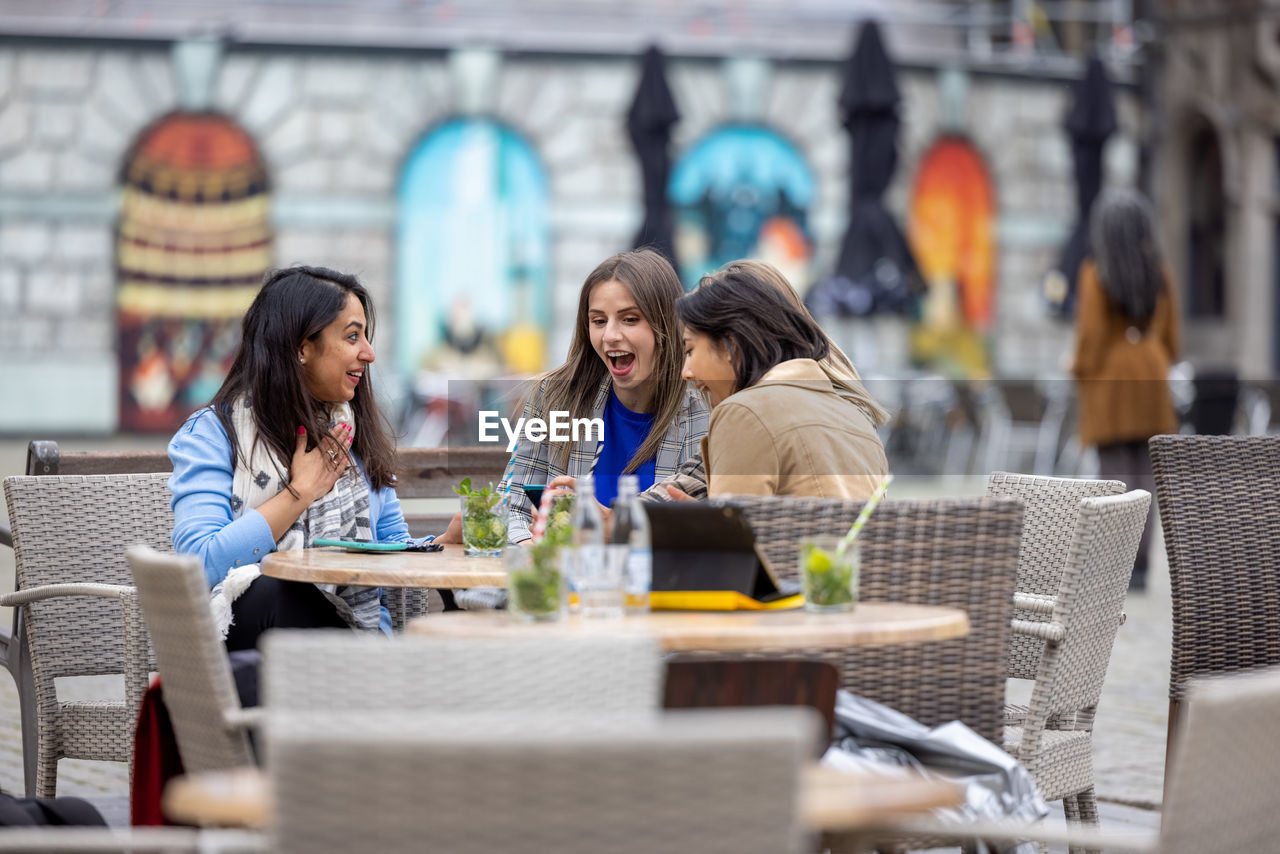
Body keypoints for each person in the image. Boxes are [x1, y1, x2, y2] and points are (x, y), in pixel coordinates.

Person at [169, 265, 421, 650]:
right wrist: (299, 493)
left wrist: (443, 543)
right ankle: (370, 678)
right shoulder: (213, 434)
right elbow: (198, 566)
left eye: (366, 337)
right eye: (353, 336)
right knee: (276, 591)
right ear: (302, 348)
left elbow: (394, 549)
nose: (368, 354)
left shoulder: (349, 435)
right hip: (249, 647)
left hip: (357, 634)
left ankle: (370, 675)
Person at [633, 259, 890, 502]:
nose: (685, 372)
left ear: (730, 346)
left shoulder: (746, 412)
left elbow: (734, 542)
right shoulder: (854, 417)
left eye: (689, 350)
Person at [501, 248, 708, 543]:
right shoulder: (554, 396)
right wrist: (531, 549)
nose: (610, 335)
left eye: (630, 319)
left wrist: (612, 526)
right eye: (598, 321)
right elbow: (511, 507)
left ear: (665, 324)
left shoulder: (706, 409)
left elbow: (703, 527)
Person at [1071, 189, 1180, 591]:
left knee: (1115, 474)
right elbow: (1172, 338)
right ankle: (1141, 568)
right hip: (1152, 375)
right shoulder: (1160, 272)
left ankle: (1115, 566)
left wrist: (1078, 371)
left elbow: (1091, 338)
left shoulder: (1095, 272)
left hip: (1112, 380)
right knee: (1146, 478)